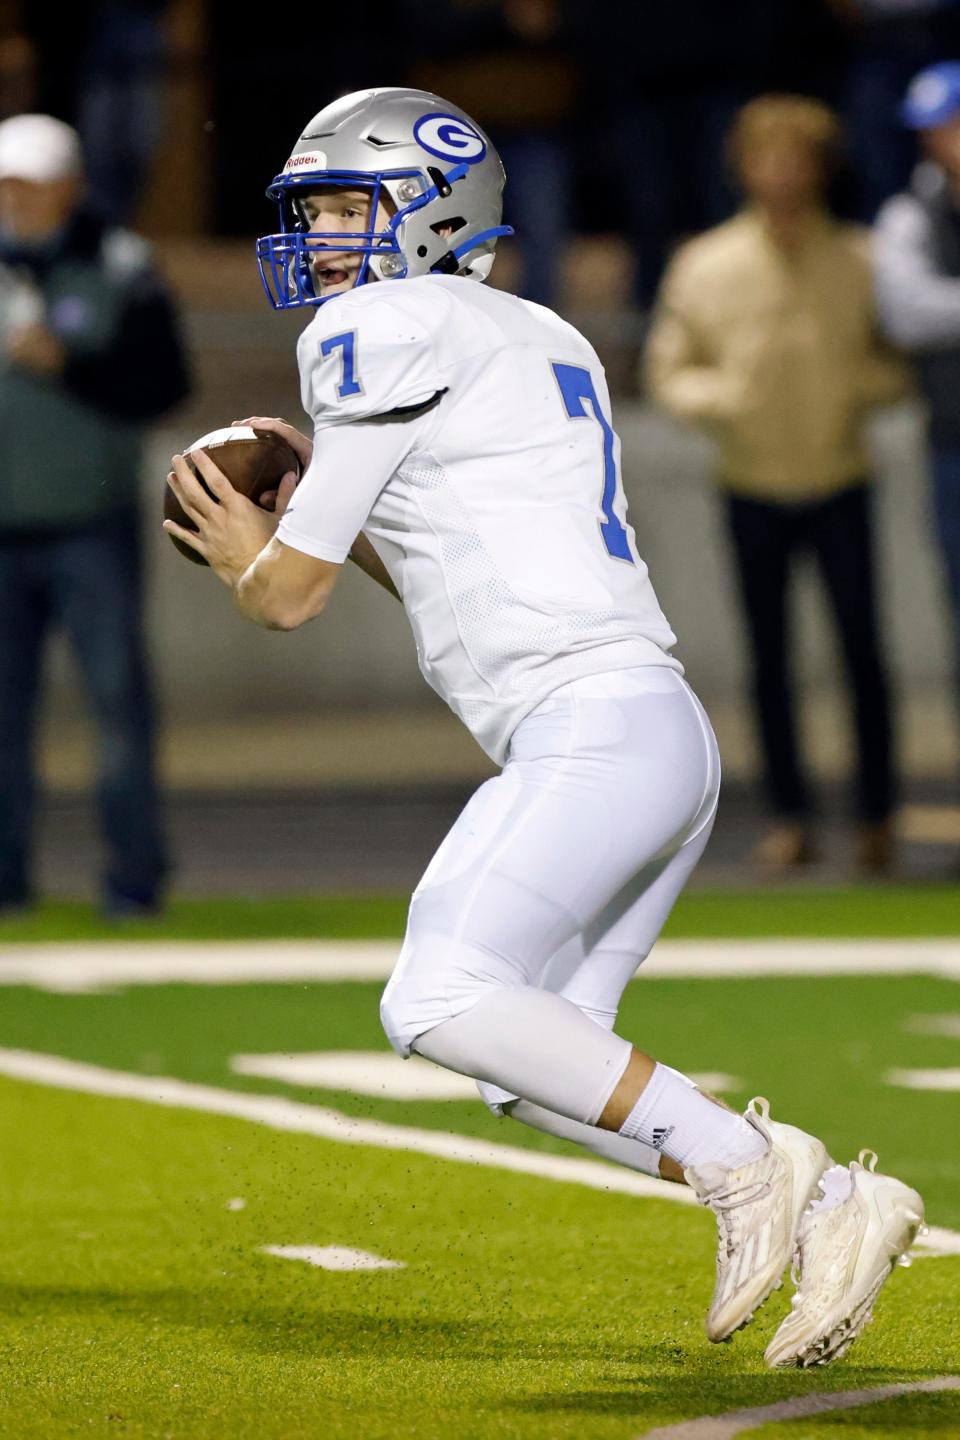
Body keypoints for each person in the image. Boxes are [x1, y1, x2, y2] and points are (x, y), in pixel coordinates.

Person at [164, 87, 922, 1367]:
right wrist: (328, 512)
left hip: (593, 729)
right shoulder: (539, 330)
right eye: (321, 213)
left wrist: (255, 551)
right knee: (527, 1058)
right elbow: (462, 559)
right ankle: (846, 1206)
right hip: (647, 729)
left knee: (439, 994)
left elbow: (283, 600)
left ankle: (751, 1166)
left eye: (352, 205)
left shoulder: (379, 322)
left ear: (432, 207)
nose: (328, 238)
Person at [644, 95, 911, 877]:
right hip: (752, 479)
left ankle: (877, 816)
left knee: (863, 652)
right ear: (745, 167)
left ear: (823, 167)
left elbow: (902, 362)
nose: (784, 172)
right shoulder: (706, 264)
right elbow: (669, 371)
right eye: (769, 156)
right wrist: (729, 400)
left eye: (799, 156)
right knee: (769, 658)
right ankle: (790, 814)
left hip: (840, 475)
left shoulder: (862, 258)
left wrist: (855, 387)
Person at [0, 113, 190, 917]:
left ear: (69, 186)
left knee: (117, 709)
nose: (17, 201)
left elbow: (163, 385)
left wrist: (69, 366)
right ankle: (5, 883)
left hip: (90, 523)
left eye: (31, 186)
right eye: (6, 186)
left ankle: (134, 879)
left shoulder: (121, 265)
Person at [874, 61, 960, 750]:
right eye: (934, 130)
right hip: (952, 441)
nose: (944, 141)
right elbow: (904, 313)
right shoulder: (912, 214)